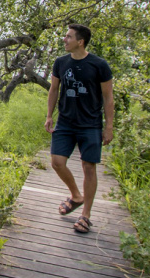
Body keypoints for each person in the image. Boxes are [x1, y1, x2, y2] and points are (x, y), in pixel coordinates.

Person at [44, 24, 114, 233]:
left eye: (68, 36)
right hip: (65, 122)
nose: (64, 40)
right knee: (57, 162)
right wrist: (49, 115)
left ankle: (86, 215)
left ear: (80, 41)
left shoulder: (99, 65)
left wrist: (108, 127)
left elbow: (108, 97)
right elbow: (54, 89)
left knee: (88, 167)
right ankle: (76, 195)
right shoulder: (60, 63)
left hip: (90, 124)